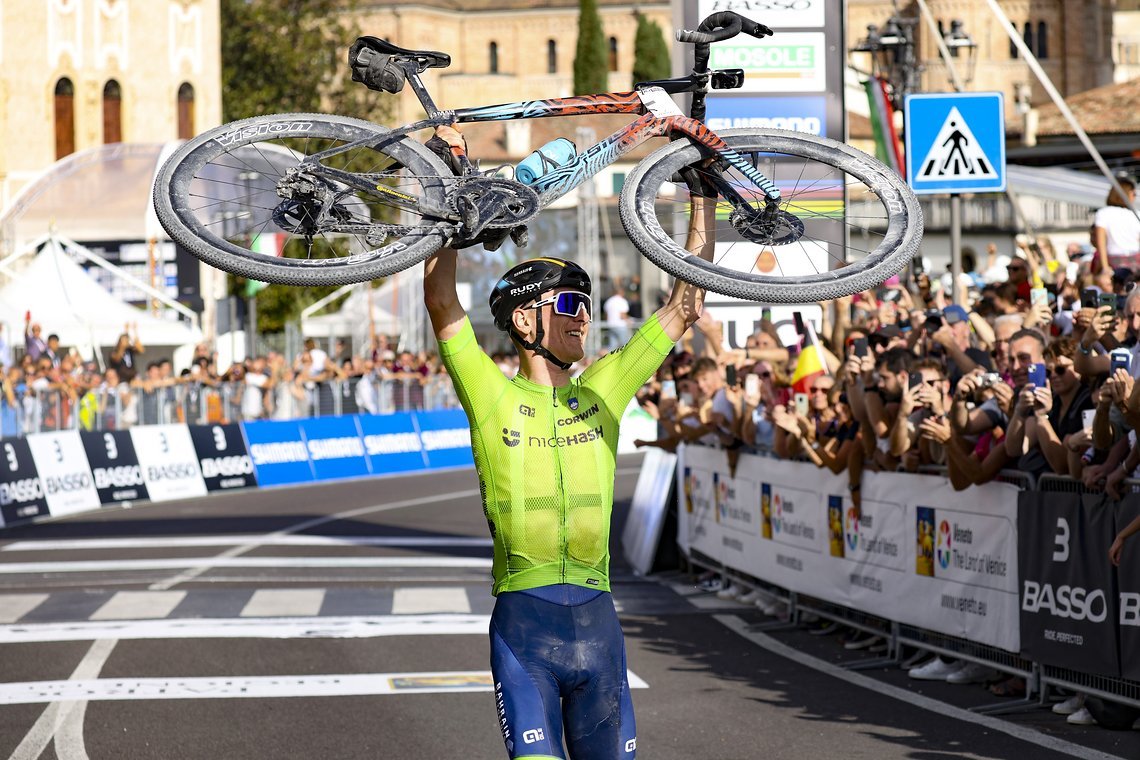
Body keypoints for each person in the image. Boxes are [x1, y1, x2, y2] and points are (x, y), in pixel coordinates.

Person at [423, 124, 715, 760]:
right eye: (567, 302)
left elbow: (684, 304)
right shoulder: (491, 394)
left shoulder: (603, 388)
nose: (584, 314)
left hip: (600, 625)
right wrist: (451, 200)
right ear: (526, 320)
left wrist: (702, 196)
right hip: (524, 631)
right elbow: (442, 302)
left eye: (585, 303)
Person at [1092, 177, 1140, 274]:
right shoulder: (1136, 214)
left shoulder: (1103, 213)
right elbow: (1101, 241)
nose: (1135, 197)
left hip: (1116, 259)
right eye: (1133, 193)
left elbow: (1101, 242)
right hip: (1133, 258)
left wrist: (1105, 266)